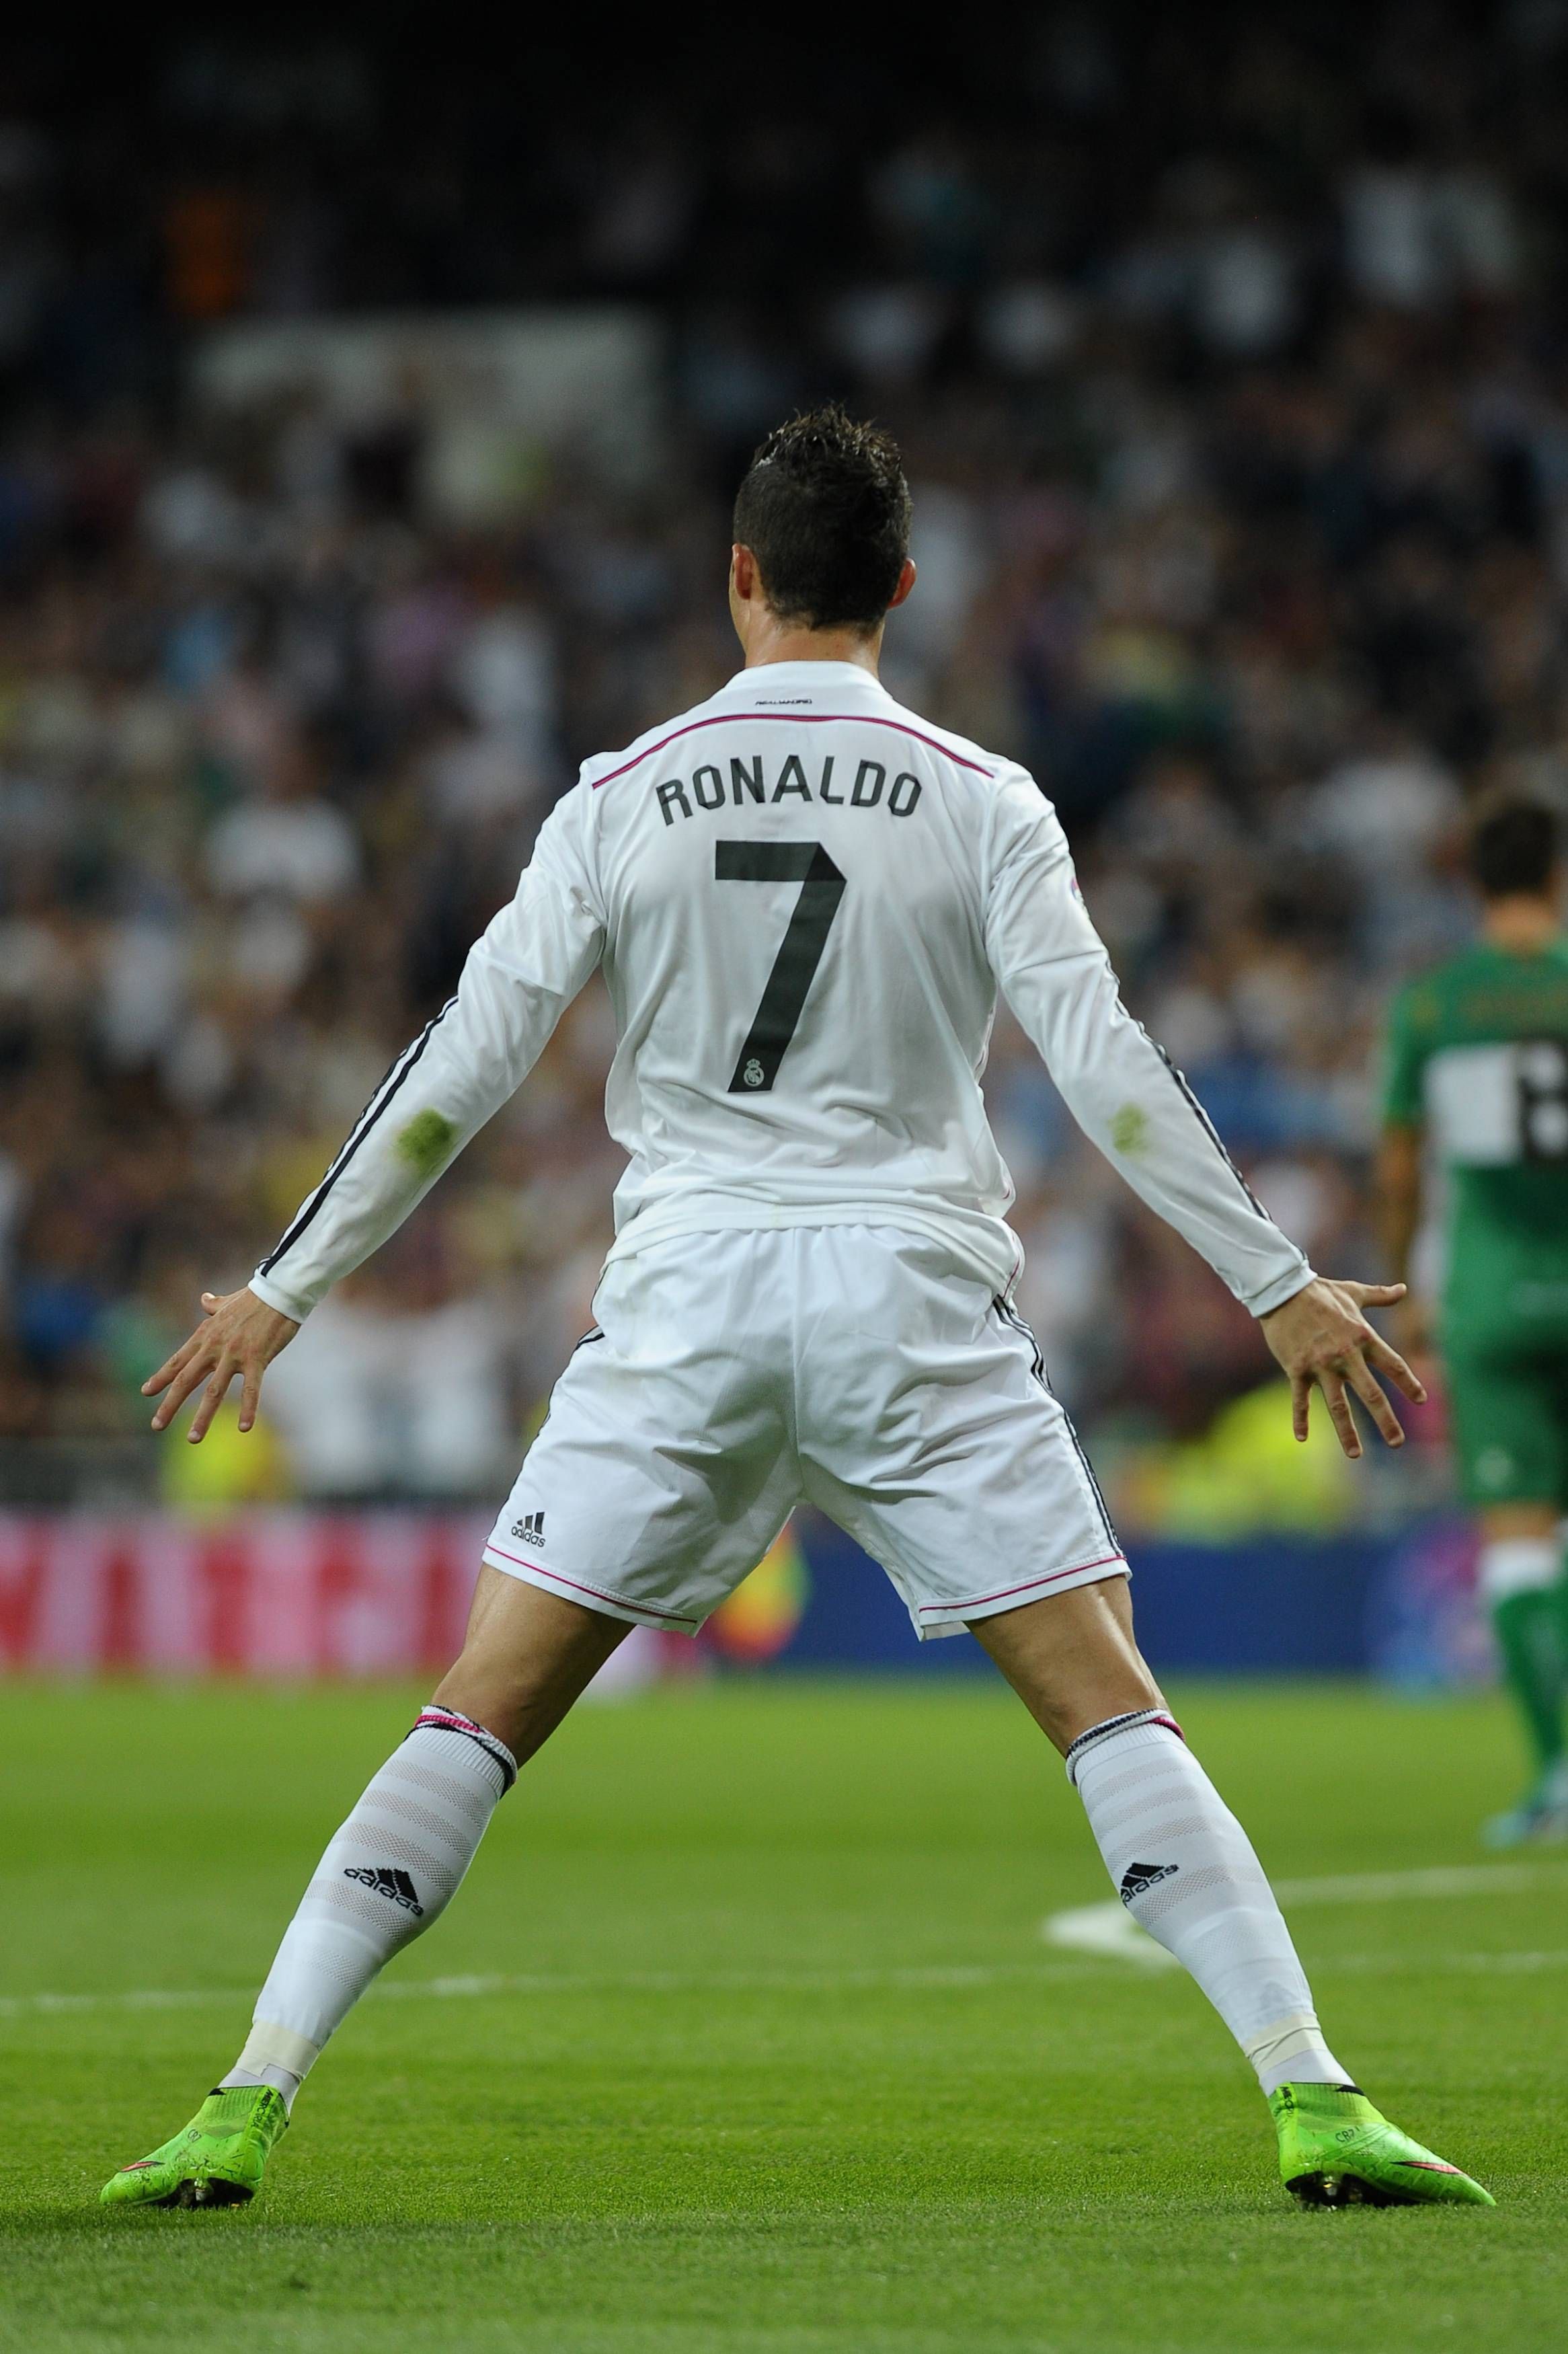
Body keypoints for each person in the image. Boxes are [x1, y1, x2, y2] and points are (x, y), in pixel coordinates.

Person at [102, 408, 1489, 2213]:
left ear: (739, 577)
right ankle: (1312, 2096)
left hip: (686, 1297)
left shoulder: (616, 794)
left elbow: (456, 1072)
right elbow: (1107, 1066)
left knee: (477, 1712)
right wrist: (1274, 1279)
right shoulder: (985, 798)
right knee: (1106, 1706)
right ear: (903, 588)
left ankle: (245, 2095)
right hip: (912, 1291)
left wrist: (283, 1289)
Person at [1378, 796, 1568, 1847]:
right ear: (1555, 876)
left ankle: (1555, 1776)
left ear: (1472, 884)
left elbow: (1400, 1167)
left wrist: (1404, 1287)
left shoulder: (1433, 1006)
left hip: (1492, 1300)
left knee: (1519, 1549)